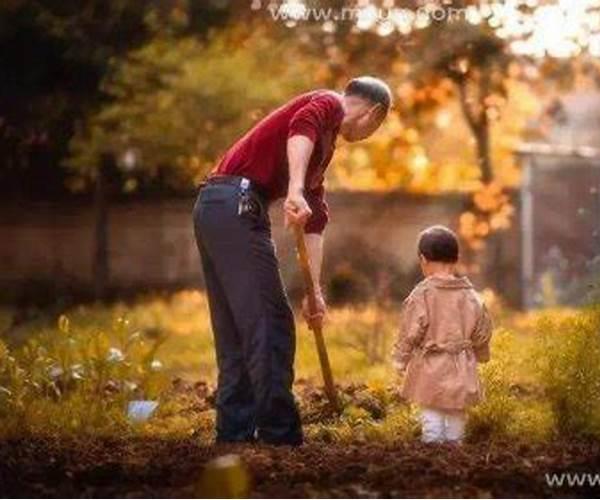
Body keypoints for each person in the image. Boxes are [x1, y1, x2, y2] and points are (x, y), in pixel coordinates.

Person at [193, 76, 391, 445]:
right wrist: (295, 189)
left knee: (239, 329)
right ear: (375, 114)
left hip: (217, 208)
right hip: (235, 205)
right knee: (272, 322)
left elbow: (315, 221)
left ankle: (235, 436)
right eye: (376, 128)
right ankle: (279, 437)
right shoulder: (329, 104)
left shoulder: (321, 152)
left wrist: (314, 292)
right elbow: (302, 126)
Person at [392, 225, 493, 444]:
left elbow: (410, 331)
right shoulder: (472, 296)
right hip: (462, 365)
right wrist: (481, 354)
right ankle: (455, 455)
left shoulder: (422, 295)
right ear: (456, 258)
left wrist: (400, 359)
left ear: (423, 259)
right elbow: (482, 331)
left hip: (431, 367)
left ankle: (433, 453)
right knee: (457, 413)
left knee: (432, 413)